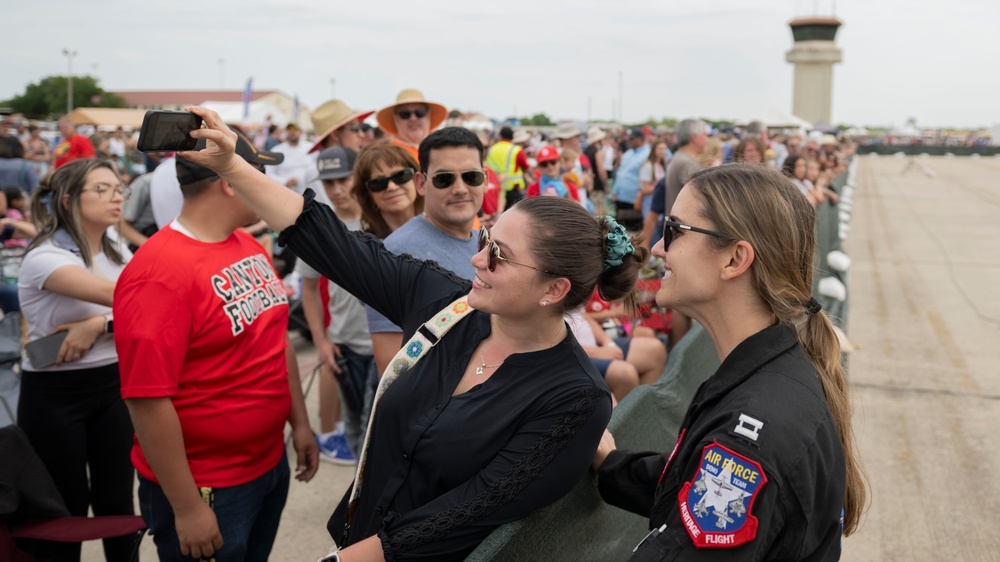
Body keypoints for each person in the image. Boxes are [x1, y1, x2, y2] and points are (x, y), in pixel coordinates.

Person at [175, 105, 653, 560]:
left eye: (499, 256)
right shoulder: (447, 304)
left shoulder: (575, 398)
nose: (476, 259)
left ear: (554, 290)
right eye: (487, 241)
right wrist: (233, 166)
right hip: (358, 537)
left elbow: (465, 514)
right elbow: (327, 239)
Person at [593, 163, 867, 560]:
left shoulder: (748, 439)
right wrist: (611, 466)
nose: (656, 247)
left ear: (735, 259)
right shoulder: (774, 369)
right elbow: (690, 487)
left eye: (675, 231)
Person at [114, 131, 318, 561]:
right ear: (229, 180)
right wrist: (187, 507)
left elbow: (275, 340)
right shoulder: (158, 273)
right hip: (208, 486)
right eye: (258, 171)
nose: (268, 183)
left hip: (266, 464)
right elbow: (148, 400)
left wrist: (298, 423)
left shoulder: (244, 242)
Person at [16, 159, 135, 562]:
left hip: (113, 384)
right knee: (64, 508)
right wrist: (108, 319)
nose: (116, 195)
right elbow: (136, 299)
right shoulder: (45, 257)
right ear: (68, 200)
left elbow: (152, 307)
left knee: (117, 500)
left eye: (119, 187)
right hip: (54, 394)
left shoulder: (118, 246)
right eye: (101, 189)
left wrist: (97, 326)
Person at [365, 128, 485, 377]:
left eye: (471, 177)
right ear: (421, 183)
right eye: (444, 179)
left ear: (485, 178)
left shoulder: (484, 242)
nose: (461, 188)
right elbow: (392, 367)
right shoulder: (394, 256)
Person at [297, 146, 373, 465]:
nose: (337, 190)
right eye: (329, 183)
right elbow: (309, 288)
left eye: (343, 179)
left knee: (381, 435)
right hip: (347, 346)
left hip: (393, 346)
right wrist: (321, 341)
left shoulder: (382, 219)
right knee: (357, 432)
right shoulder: (321, 229)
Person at [375, 89, 447, 162]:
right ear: (395, 119)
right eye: (405, 114)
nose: (413, 118)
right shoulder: (387, 154)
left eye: (420, 112)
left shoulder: (443, 149)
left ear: (428, 115)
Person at [610, 129, 650, 231]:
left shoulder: (648, 153)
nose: (629, 141)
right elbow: (621, 173)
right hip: (621, 197)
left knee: (633, 231)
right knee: (619, 229)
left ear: (640, 139)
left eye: (632, 139)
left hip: (634, 199)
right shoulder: (628, 153)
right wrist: (615, 191)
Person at [484, 126, 532, 209]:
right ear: (512, 137)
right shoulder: (517, 150)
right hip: (512, 189)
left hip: (495, 188)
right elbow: (526, 166)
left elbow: (488, 167)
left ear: (500, 136)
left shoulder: (491, 149)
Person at [266, 122, 312, 194]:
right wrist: (285, 181)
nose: (292, 132)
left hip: (309, 194)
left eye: (296, 129)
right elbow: (269, 173)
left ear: (301, 132)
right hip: (284, 194)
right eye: (289, 129)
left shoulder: (310, 148)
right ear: (285, 132)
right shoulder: (276, 151)